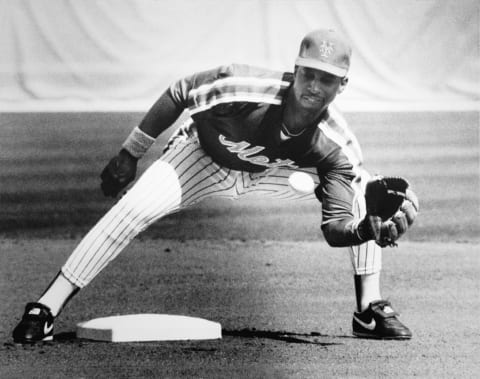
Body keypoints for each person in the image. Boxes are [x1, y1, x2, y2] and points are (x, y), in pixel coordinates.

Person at [12, 29, 418, 343]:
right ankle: (45, 309)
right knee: (132, 209)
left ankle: (368, 309)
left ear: (342, 85)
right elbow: (179, 93)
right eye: (309, 73)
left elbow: (334, 229)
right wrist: (130, 153)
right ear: (295, 71)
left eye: (327, 79)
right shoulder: (240, 85)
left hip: (272, 176)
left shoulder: (337, 144)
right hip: (201, 157)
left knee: (366, 187)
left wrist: (365, 230)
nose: (314, 86)